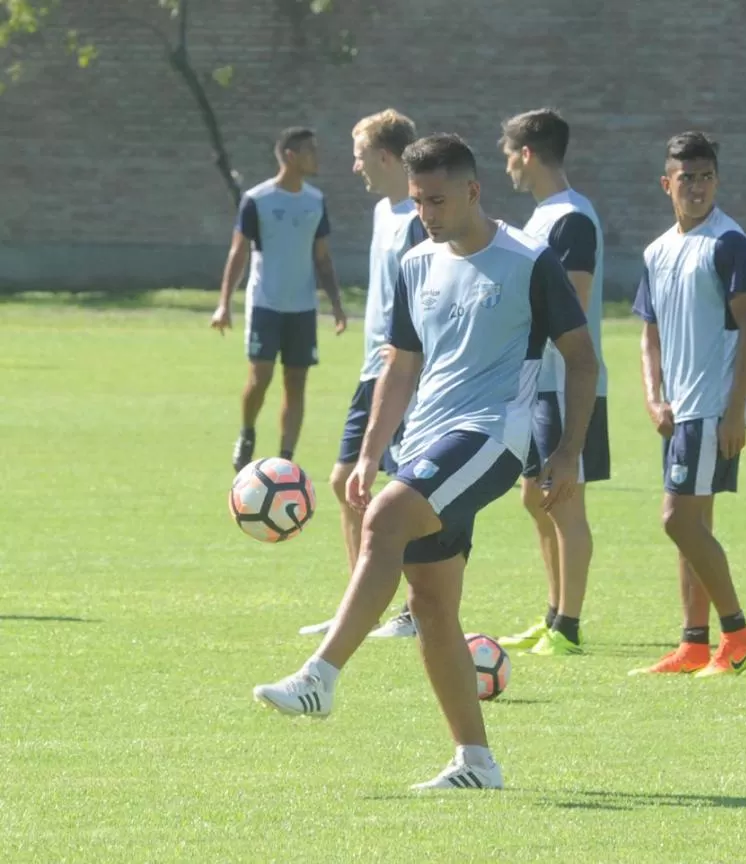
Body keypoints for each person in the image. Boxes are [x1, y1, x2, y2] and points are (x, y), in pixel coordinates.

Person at [253, 133, 599, 790]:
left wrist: (568, 452)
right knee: (433, 603)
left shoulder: (529, 262)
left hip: (499, 433)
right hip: (428, 440)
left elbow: (582, 359)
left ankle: (320, 676)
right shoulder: (416, 262)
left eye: (437, 200)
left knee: (385, 517)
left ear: (473, 190)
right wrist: (369, 451)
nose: (427, 214)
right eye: (417, 202)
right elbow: (400, 366)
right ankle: (476, 762)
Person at [630, 131, 746, 677]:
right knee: (694, 522)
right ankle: (692, 644)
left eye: (707, 176)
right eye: (687, 178)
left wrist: (735, 411)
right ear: (667, 183)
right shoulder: (657, 251)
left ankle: (739, 634)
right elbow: (650, 333)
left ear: (717, 181)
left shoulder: (729, 243)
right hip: (678, 411)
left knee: (678, 521)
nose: (698, 187)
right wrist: (653, 397)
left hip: (712, 408)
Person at [299, 109, 426, 640]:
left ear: (385, 157)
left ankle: (416, 612)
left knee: (405, 495)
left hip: (404, 372)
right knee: (343, 481)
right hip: (370, 367)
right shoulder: (382, 213)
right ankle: (362, 605)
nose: (354, 167)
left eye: (359, 155)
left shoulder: (422, 218)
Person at [497, 108, 610, 657]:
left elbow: (574, 300)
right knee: (534, 499)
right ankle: (551, 612)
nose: (507, 168)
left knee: (565, 502)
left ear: (526, 154)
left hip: (569, 382)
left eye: (507, 155)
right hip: (538, 383)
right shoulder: (542, 218)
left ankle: (569, 625)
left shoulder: (571, 218)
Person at [212, 126, 347, 472]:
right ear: (291, 155)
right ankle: (247, 432)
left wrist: (336, 304)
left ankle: (286, 458)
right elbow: (238, 253)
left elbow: (322, 258)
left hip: (302, 308)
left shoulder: (315, 201)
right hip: (265, 305)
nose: (317, 158)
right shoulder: (258, 200)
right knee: (261, 377)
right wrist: (224, 303)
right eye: (310, 151)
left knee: (297, 380)